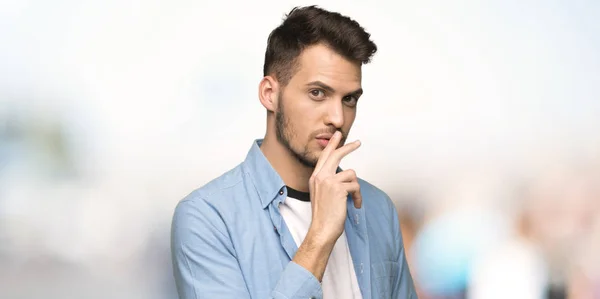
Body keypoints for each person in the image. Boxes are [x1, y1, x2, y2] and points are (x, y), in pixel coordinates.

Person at [171, 5, 417, 299]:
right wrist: (321, 235)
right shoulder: (208, 218)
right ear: (270, 94)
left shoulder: (377, 209)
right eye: (318, 93)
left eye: (349, 99)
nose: (338, 118)